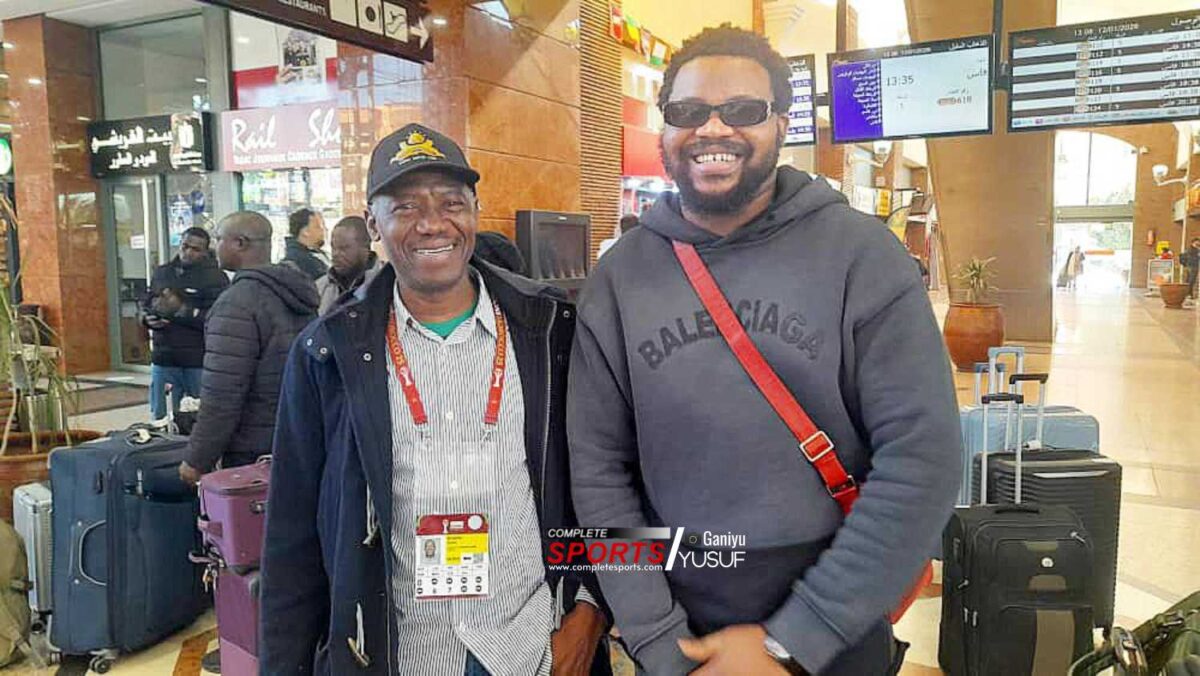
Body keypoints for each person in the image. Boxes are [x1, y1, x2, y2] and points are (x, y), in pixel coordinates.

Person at [568, 25, 961, 675]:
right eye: (688, 111)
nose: (712, 129)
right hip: (680, 614)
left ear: (781, 123)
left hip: (834, 614)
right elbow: (599, 473)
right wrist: (656, 636)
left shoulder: (863, 256)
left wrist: (793, 639)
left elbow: (923, 458)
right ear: (665, 128)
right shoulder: (619, 277)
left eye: (743, 110)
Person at [259, 124, 611, 676]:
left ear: (475, 212)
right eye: (405, 207)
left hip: (533, 646)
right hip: (399, 654)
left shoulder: (551, 331)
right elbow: (291, 533)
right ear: (372, 224)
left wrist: (591, 608)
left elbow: (610, 479)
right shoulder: (327, 353)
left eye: (451, 203)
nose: (432, 224)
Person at [178, 212, 319, 484]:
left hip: (251, 452)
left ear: (240, 243)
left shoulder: (236, 304)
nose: (214, 247)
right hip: (299, 438)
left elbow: (222, 393)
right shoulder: (297, 293)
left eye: (219, 239)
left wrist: (196, 460)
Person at [142, 227, 228, 421]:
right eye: (185, 246)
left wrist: (182, 310)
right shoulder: (163, 272)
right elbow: (148, 302)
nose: (188, 252)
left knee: (203, 419)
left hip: (197, 361)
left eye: (195, 249)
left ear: (205, 252)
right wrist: (148, 319)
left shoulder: (216, 278)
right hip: (164, 358)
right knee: (161, 419)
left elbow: (217, 321)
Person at [316, 216, 385, 315]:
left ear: (366, 247)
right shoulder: (320, 287)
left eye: (343, 248)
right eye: (333, 247)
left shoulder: (386, 282)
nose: (335, 254)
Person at [283, 207, 330, 280]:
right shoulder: (301, 261)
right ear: (305, 232)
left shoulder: (316, 254)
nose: (325, 230)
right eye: (318, 227)